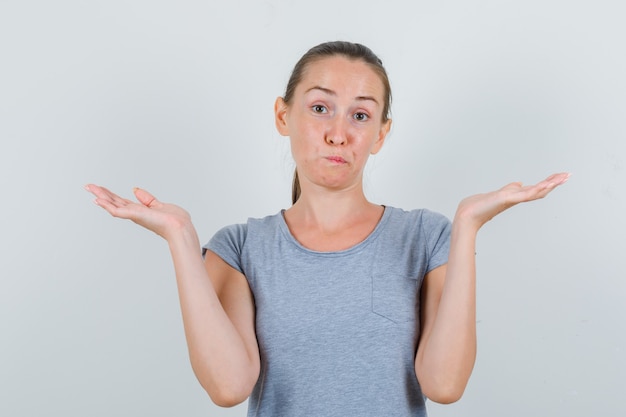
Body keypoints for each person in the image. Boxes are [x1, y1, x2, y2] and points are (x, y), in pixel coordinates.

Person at [85, 41, 569, 416]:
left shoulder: (428, 237)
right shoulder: (239, 248)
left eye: (360, 115)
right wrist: (180, 237)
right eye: (320, 108)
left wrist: (467, 226)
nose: (339, 133)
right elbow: (228, 388)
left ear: (380, 133)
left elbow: (444, 386)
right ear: (283, 115)